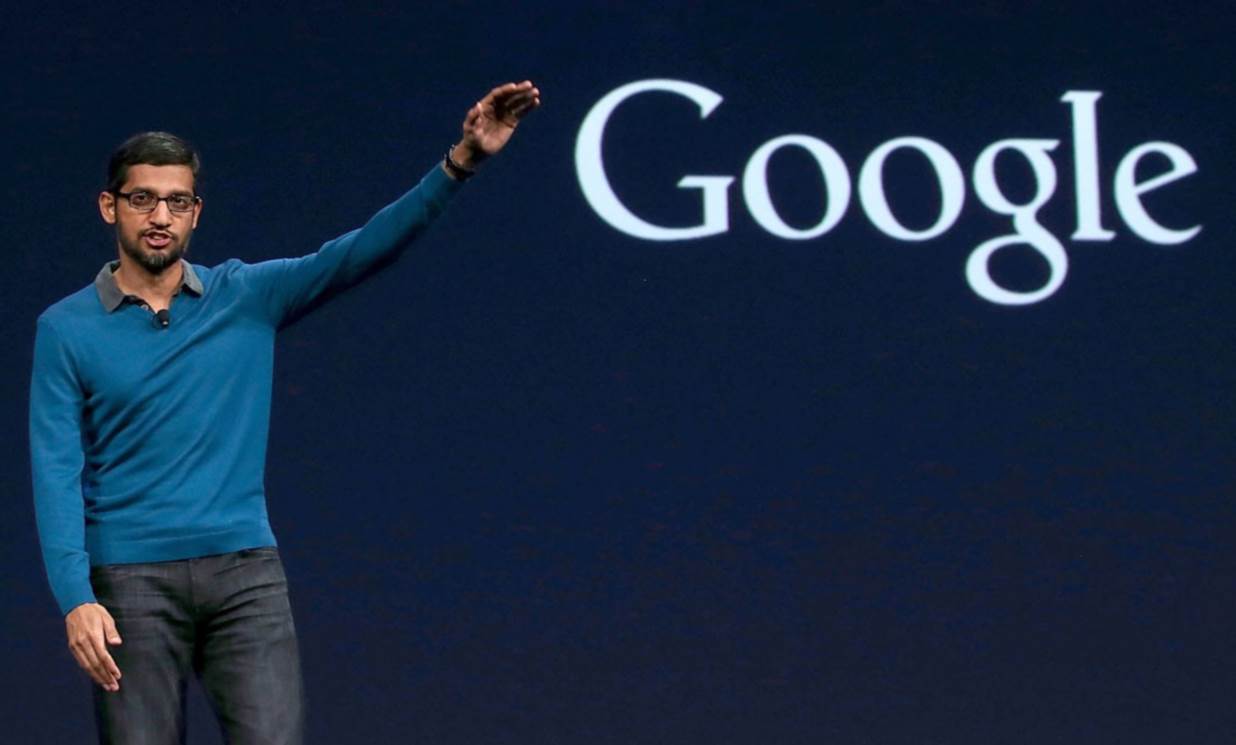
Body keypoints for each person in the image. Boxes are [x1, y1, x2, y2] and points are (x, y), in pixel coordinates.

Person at [29, 80, 540, 744]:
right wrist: (76, 596)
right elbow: (55, 470)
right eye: (142, 199)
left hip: (245, 577)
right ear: (110, 206)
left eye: (177, 201)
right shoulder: (66, 328)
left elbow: (361, 250)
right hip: (129, 584)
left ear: (196, 213)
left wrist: (460, 163)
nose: (160, 215)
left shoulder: (244, 295)